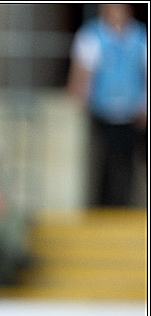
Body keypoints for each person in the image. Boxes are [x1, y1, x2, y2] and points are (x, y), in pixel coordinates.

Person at [68, 3, 148, 207]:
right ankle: (101, 207)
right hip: (101, 110)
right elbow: (82, 71)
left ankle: (123, 207)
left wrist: (145, 106)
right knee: (102, 161)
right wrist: (79, 97)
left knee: (127, 163)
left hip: (131, 112)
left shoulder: (140, 36)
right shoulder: (92, 35)